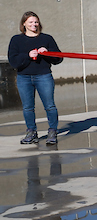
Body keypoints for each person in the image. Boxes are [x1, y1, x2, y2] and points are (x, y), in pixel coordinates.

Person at [9, 11, 63, 146]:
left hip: (43, 76)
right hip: (24, 78)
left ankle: (52, 131)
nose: (34, 24)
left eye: (36, 22)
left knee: (49, 106)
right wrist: (27, 55)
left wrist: (47, 53)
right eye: (31, 22)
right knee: (28, 107)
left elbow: (58, 58)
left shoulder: (47, 38)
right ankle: (31, 132)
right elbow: (13, 61)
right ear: (24, 24)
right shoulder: (16, 40)